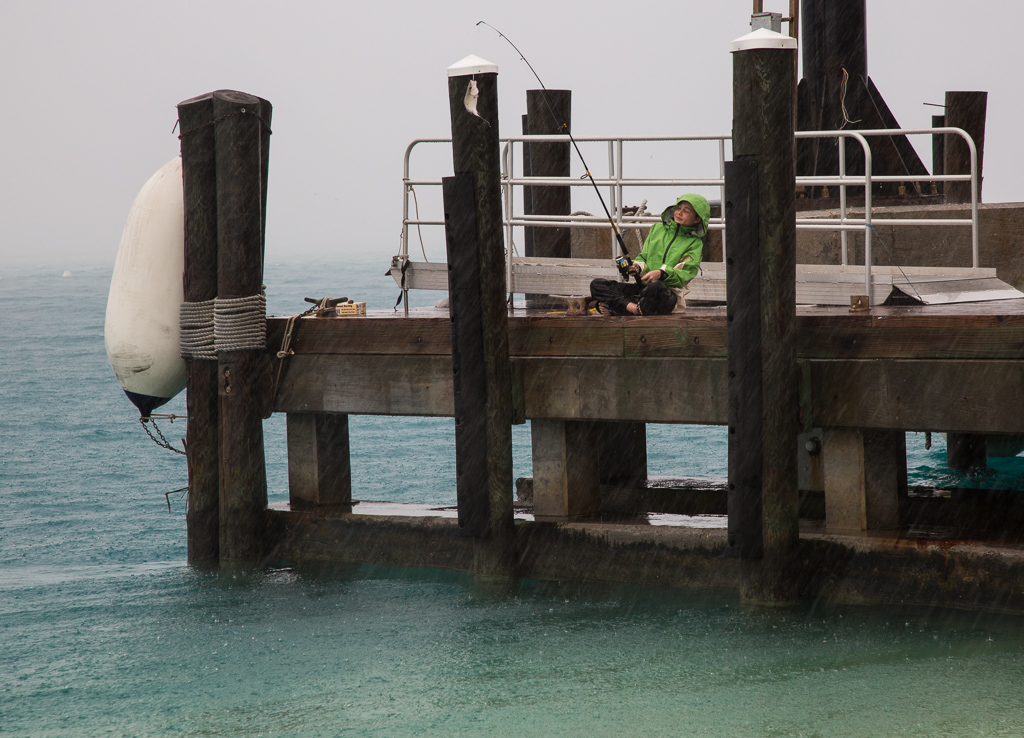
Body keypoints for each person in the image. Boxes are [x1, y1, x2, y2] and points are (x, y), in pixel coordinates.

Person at [590, 193, 710, 315]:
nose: (679, 212)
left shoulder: (695, 243)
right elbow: (643, 257)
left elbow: (685, 274)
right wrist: (636, 267)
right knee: (597, 284)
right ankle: (633, 308)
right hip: (642, 289)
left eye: (686, 211)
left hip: (666, 294)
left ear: (697, 219)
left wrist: (661, 274)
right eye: (678, 208)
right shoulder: (657, 229)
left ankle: (620, 306)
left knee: (656, 287)